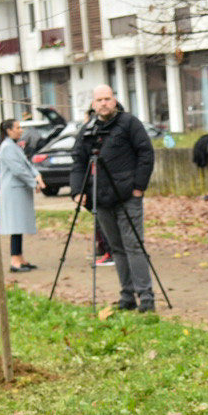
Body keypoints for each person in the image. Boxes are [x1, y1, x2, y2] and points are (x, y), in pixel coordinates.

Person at [71, 84, 156, 312]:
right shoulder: (88, 130)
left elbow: (146, 153)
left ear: (114, 100)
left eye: (107, 99)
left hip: (127, 195)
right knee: (116, 248)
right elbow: (78, 161)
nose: (104, 103)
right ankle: (127, 295)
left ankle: (146, 297)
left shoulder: (129, 123)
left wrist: (138, 187)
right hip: (100, 198)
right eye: (99, 100)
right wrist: (78, 191)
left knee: (134, 245)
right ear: (93, 104)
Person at [0, 118, 44, 272]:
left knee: (19, 224)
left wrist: (37, 175)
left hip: (19, 191)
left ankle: (20, 257)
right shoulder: (7, 148)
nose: (21, 130)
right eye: (17, 127)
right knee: (15, 225)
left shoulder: (13, 146)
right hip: (14, 191)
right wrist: (33, 182)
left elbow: (27, 164)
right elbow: (18, 170)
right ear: (9, 130)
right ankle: (15, 261)